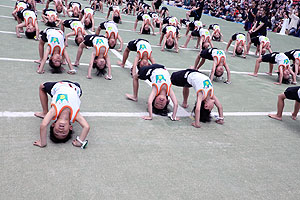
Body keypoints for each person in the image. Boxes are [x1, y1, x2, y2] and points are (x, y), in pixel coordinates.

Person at [34, 81, 90, 148]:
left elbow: (43, 125)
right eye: (64, 133)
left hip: (58, 85)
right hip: (75, 87)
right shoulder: (75, 115)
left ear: (53, 125)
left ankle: (44, 113)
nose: (60, 131)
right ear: (70, 128)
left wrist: (43, 143)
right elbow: (86, 127)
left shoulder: (54, 111)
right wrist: (79, 142)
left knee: (41, 87)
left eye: (56, 132)